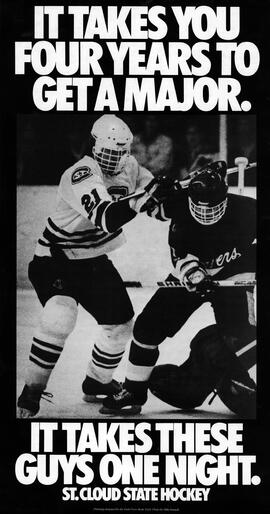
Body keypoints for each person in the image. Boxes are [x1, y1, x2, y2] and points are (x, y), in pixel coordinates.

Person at [17, 114, 172, 418]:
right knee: (59, 316)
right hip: (56, 259)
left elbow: (160, 212)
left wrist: (177, 194)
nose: (114, 158)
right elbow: (108, 216)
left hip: (94, 261)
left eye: (120, 152)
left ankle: (97, 381)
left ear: (128, 150)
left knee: (120, 326)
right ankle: (32, 390)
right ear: (94, 146)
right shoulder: (81, 174)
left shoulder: (131, 168)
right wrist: (146, 197)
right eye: (108, 151)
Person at [101, 161, 256, 417]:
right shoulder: (180, 207)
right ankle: (133, 391)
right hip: (190, 275)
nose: (205, 213)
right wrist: (156, 190)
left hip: (234, 276)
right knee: (146, 327)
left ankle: (237, 376)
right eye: (198, 206)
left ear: (225, 197)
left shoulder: (247, 209)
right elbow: (154, 215)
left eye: (213, 207)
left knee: (238, 335)